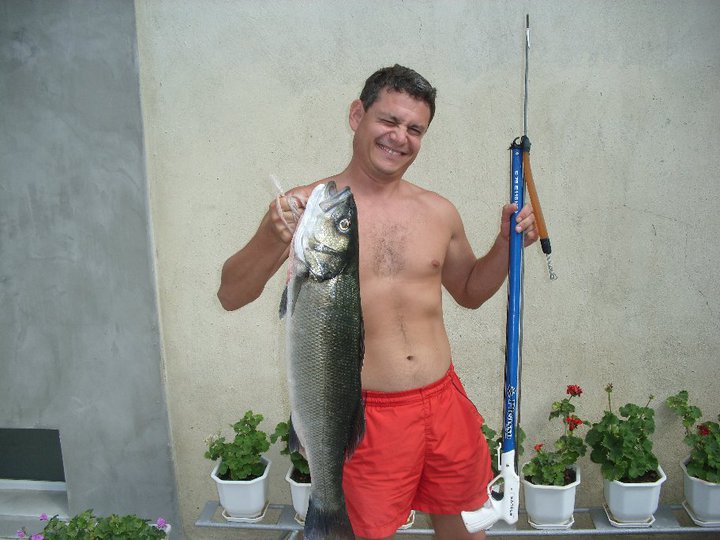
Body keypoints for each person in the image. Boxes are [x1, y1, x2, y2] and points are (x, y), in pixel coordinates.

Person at [217, 64, 537, 540]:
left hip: (443, 402)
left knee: (467, 529)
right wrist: (270, 235)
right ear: (357, 115)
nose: (399, 137)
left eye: (415, 129)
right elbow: (231, 294)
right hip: (362, 416)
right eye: (389, 120)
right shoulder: (311, 210)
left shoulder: (439, 210)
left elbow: (470, 292)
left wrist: (506, 247)